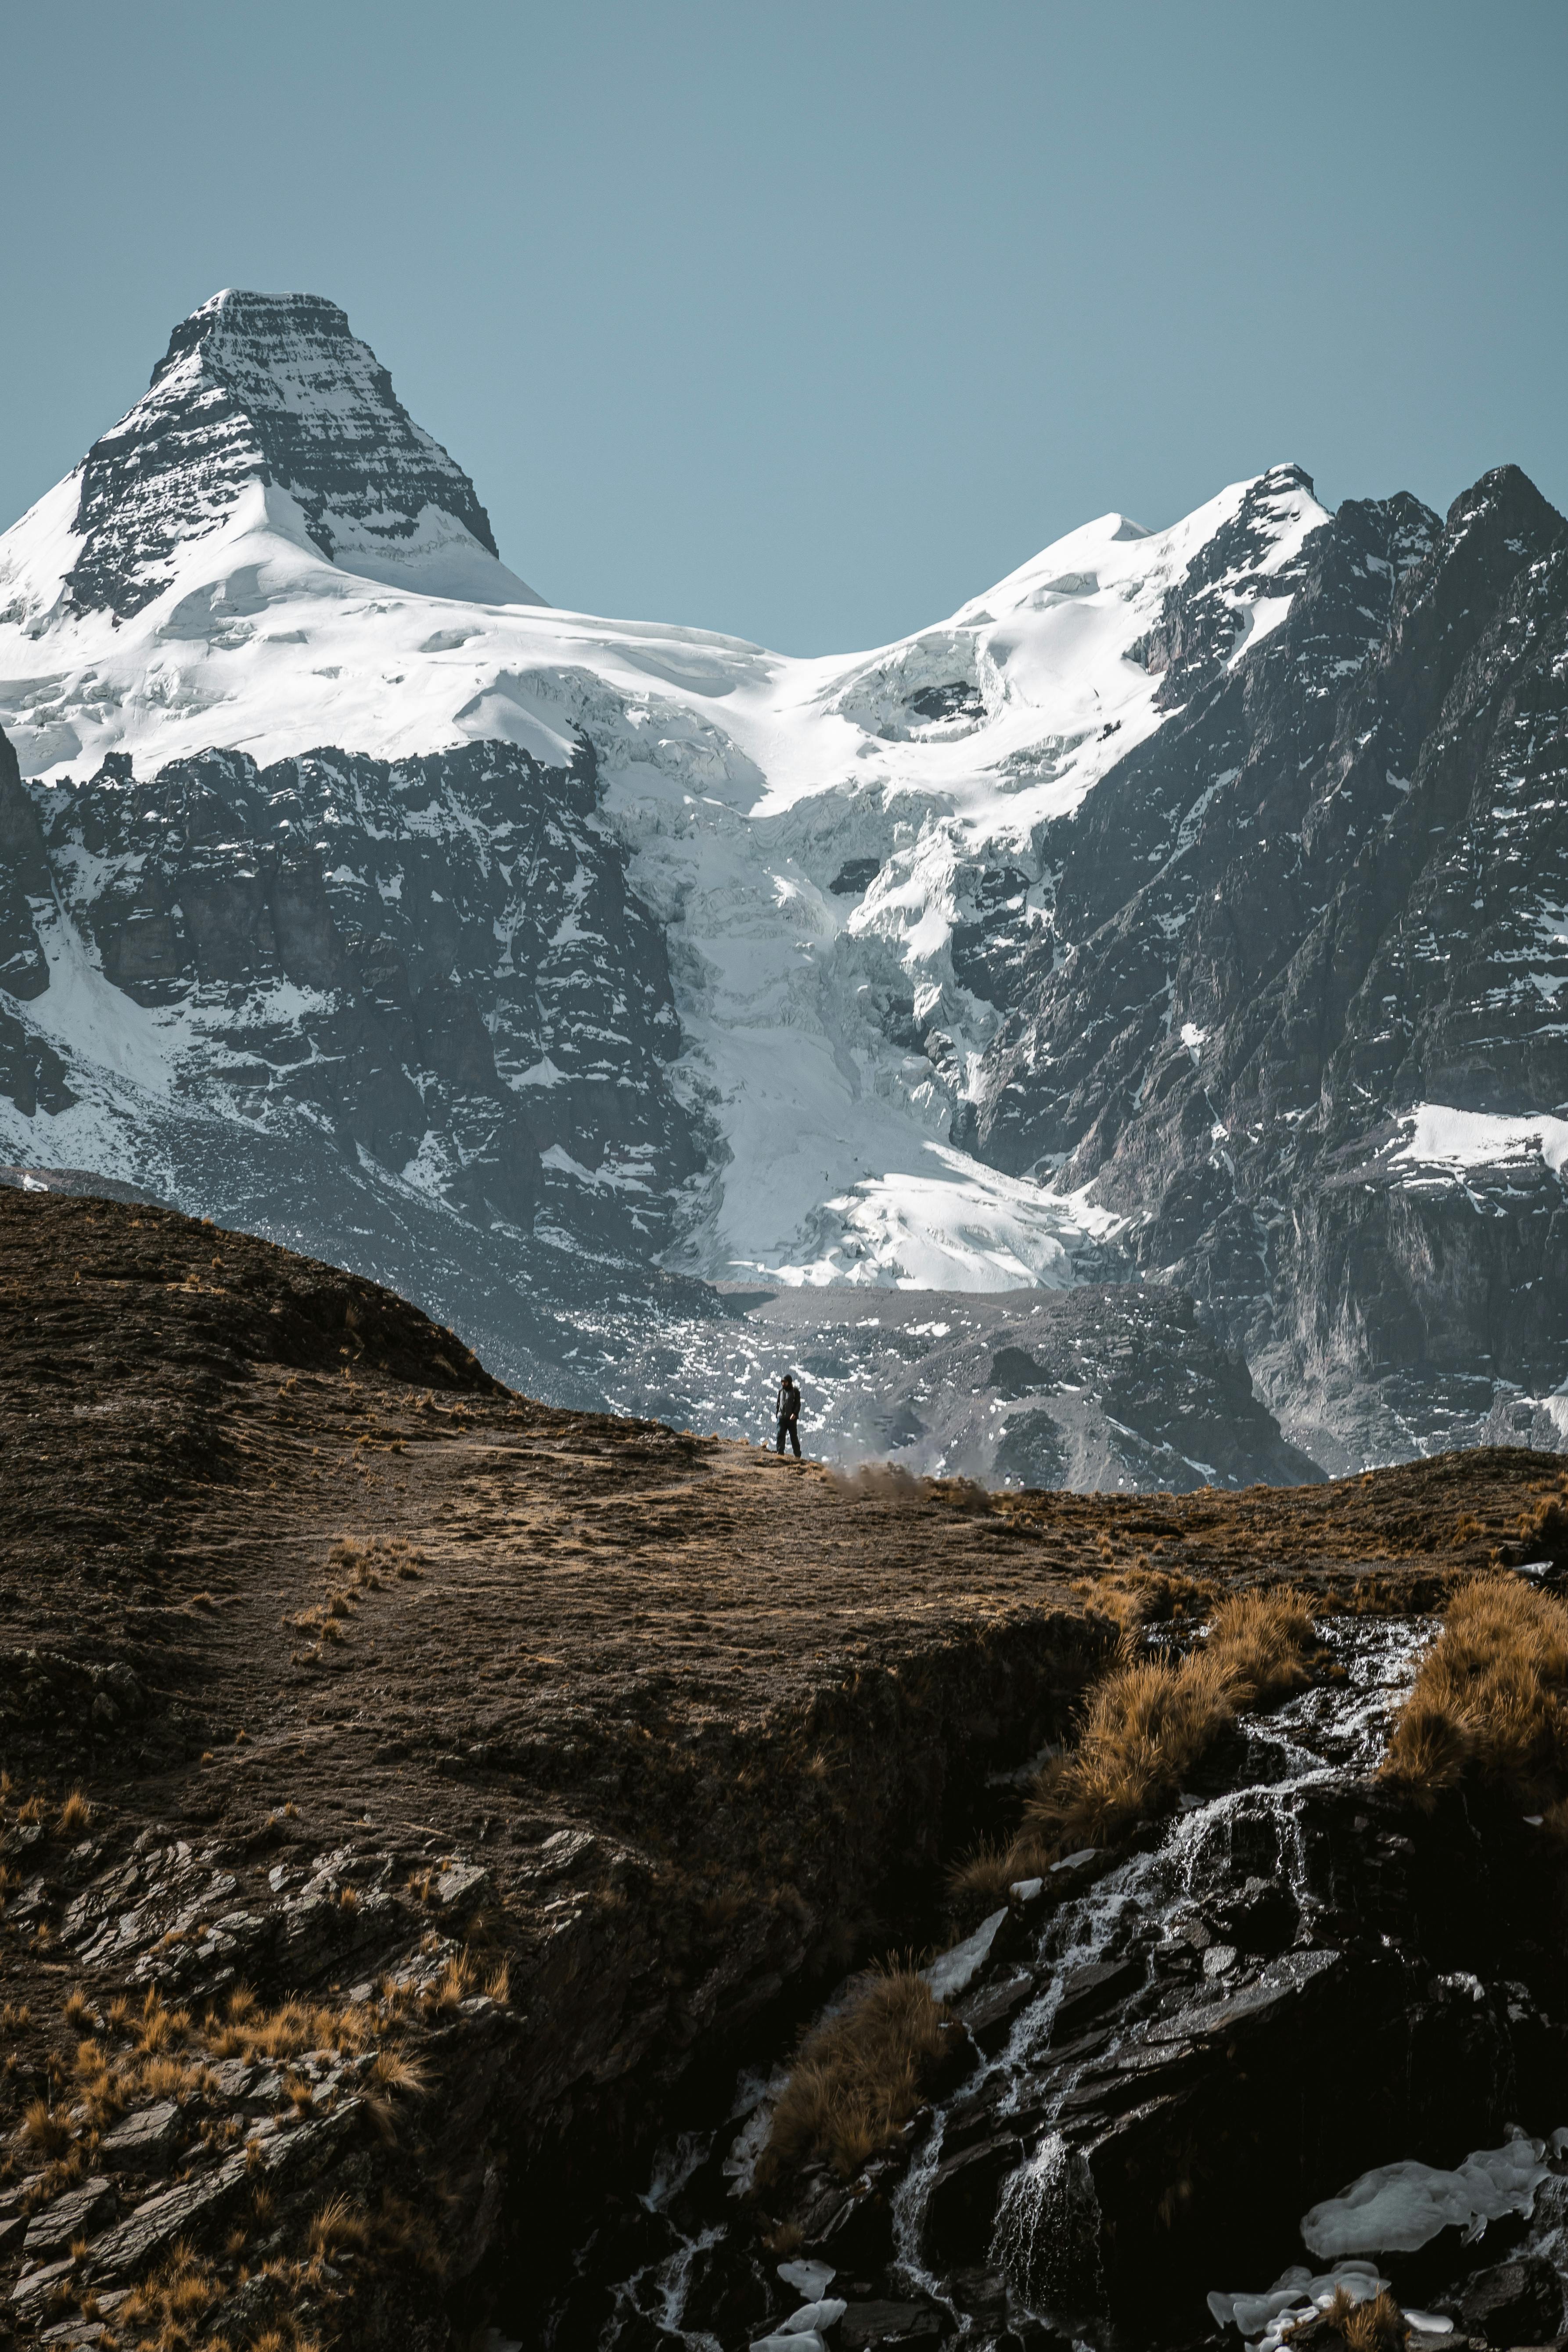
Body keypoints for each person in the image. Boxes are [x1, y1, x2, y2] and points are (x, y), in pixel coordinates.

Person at [775, 1371, 802, 1458]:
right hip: (781, 1417)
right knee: (780, 1434)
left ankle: (797, 1455)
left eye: (785, 1382)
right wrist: (777, 1414)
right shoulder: (781, 1392)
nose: (784, 1384)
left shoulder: (795, 1392)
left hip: (791, 1419)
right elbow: (779, 1403)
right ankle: (780, 1452)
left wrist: (795, 1414)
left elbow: (798, 1404)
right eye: (783, 1382)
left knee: (793, 1437)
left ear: (789, 1383)